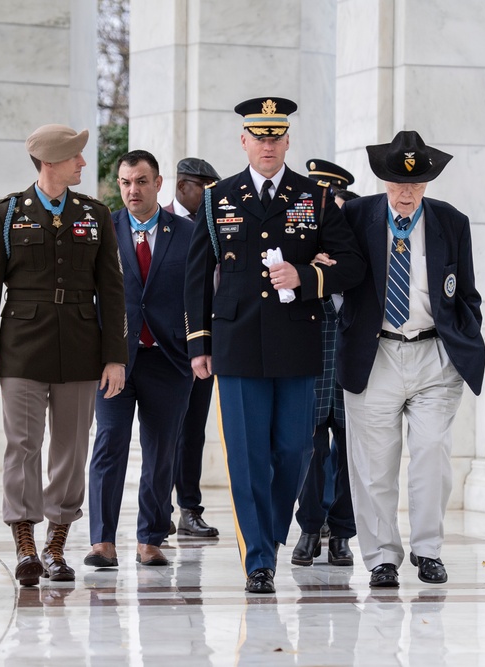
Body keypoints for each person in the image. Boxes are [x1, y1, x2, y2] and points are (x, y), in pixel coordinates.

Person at [184, 97, 364, 594]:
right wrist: (199, 343)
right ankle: (258, 559)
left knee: (292, 452)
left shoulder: (316, 198)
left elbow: (351, 265)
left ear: (287, 142)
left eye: (275, 137)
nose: (267, 145)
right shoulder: (219, 197)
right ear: (244, 141)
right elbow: (197, 277)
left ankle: (270, 532)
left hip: (296, 344)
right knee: (246, 456)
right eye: (258, 137)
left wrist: (305, 275)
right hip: (236, 345)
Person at [0, 124, 127, 586]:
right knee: (23, 446)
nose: (83, 163)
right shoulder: (6, 214)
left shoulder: (95, 215)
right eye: (76, 157)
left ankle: (56, 545)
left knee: (71, 448)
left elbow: (113, 294)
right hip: (20, 348)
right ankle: (25, 546)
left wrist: (114, 356)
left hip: (81, 348)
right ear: (53, 161)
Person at [336, 130, 485, 588]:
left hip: (432, 354)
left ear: (427, 183)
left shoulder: (450, 222)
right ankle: (382, 557)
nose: (406, 192)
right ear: (383, 180)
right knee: (373, 463)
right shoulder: (357, 215)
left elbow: (467, 293)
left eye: (416, 184)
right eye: (399, 184)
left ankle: (428, 550)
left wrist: (464, 337)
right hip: (374, 352)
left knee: (431, 454)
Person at [86, 150, 196, 568]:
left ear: (158, 183)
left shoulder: (186, 233)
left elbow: (199, 295)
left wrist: (197, 349)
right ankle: (102, 541)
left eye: (142, 181)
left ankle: (150, 538)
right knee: (109, 444)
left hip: (169, 360)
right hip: (114, 362)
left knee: (161, 451)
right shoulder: (103, 230)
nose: (134, 190)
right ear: (119, 185)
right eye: (126, 182)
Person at [291, 159, 358, 568]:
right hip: (309, 366)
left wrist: (335, 276)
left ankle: (343, 534)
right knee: (310, 452)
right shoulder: (297, 245)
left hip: (350, 368)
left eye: (331, 202)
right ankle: (310, 528)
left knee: (351, 454)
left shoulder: (353, 250)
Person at [163, 157, 224, 538]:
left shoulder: (217, 225)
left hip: (203, 345)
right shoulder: (161, 222)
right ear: (184, 186)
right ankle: (158, 511)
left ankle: (189, 508)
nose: (211, 196)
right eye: (206, 188)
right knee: (162, 431)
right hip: (165, 348)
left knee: (193, 430)